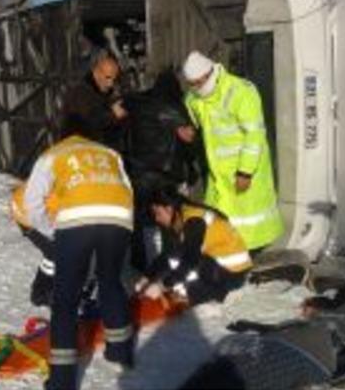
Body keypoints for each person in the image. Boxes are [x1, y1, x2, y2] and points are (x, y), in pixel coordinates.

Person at [24, 112, 135, 390]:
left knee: (65, 298)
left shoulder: (55, 153)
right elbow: (128, 190)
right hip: (118, 218)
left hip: (75, 223)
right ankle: (120, 352)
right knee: (110, 281)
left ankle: (62, 381)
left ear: (64, 134)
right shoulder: (109, 153)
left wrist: (53, 230)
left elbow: (32, 201)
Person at [177, 50, 283, 252]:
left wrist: (245, 171)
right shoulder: (193, 99)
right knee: (221, 230)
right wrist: (190, 130)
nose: (197, 87)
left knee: (249, 231)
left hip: (244, 175)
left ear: (211, 73)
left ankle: (249, 265)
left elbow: (254, 135)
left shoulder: (241, 91)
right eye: (192, 84)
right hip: (219, 178)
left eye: (200, 82)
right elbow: (197, 125)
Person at [120, 68, 202, 272]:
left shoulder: (137, 103)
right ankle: (169, 260)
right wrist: (191, 169)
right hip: (168, 175)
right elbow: (189, 144)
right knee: (168, 219)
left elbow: (124, 132)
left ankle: (138, 262)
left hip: (138, 173)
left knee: (139, 221)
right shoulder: (177, 108)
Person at [135, 187, 253, 306]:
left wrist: (163, 286)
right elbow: (169, 254)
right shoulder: (182, 217)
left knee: (187, 267)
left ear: (169, 209)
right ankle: (193, 291)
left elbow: (190, 260)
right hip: (221, 267)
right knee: (177, 260)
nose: (157, 219)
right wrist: (147, 277)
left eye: (158, 213)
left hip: (233, 273)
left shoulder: (193, 221)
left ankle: (205, 293)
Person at [61, 49, 128, 151]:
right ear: (96, 72)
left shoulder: (99, 91)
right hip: (78, 153)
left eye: (113, 79)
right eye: (107, 78)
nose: (110, 84)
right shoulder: (80, 92)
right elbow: (92, 121)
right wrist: (113, 114)